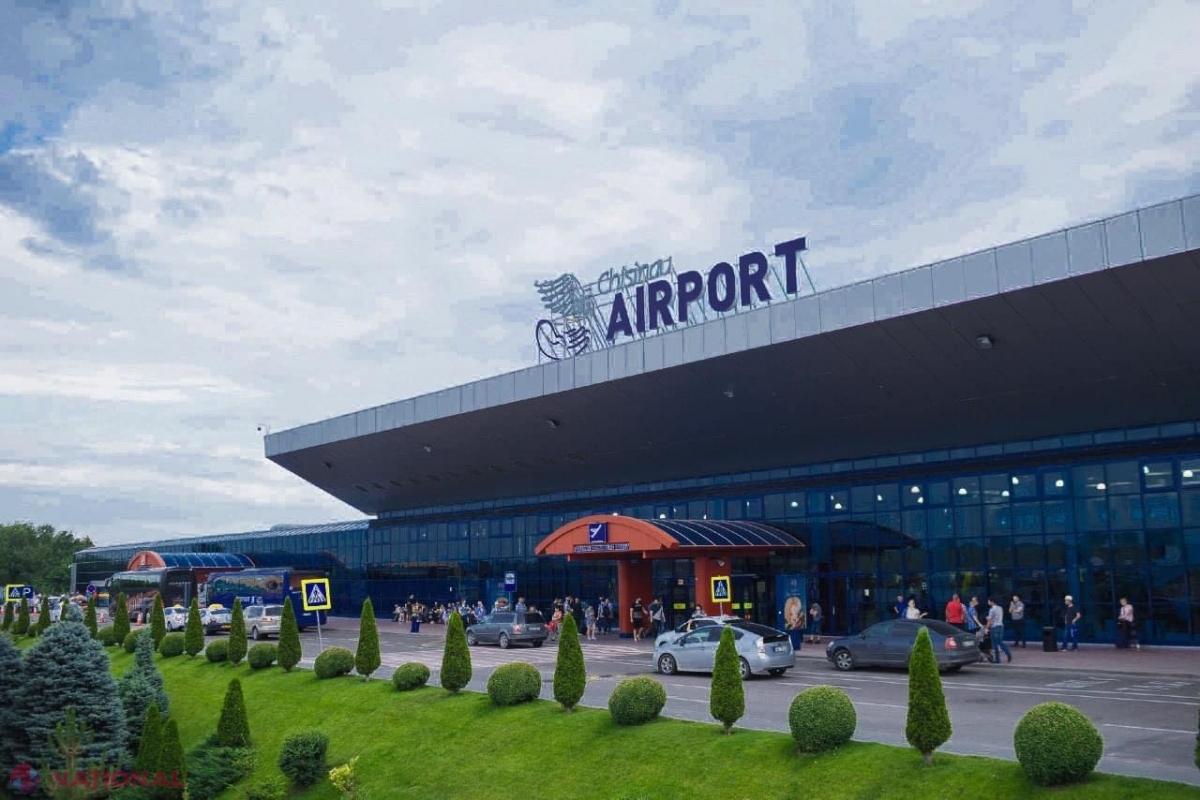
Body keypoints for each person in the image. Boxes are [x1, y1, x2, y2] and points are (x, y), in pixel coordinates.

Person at [986, 598, 1012, 663]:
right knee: (1000, 642)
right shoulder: (1000, 608)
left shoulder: (991, 609)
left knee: (995, 644)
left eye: (988, 601)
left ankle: (998, 660)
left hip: (994, 627)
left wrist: (986, 628)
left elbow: (989, 620)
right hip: (1001, 626)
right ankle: (1008, 653)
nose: (988, 603)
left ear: (992, 602)